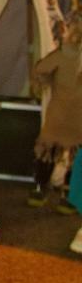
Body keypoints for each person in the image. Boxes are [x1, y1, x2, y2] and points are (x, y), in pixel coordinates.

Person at [28, 11, 81, 215]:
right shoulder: (66, 53)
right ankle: (68, 196)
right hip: (73, 115)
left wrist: (47, 83)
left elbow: (40, 70)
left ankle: (41, 189)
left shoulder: (64, 53)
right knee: (73, 155)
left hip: (61, 112)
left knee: (49, 150)